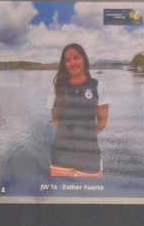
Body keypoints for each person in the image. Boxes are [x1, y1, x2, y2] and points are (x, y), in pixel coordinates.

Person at [46, 42, 109, 178]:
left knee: (91, 197)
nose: (73, 63)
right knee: (60, 195)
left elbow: (102, 122)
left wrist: (84, 135)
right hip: (61, 152)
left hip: (89, 153)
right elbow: (55, 119)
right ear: (64, 64)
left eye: (76, 57)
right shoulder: (57, 88)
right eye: (67, 60)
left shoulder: (99, 87)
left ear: (84, 59)